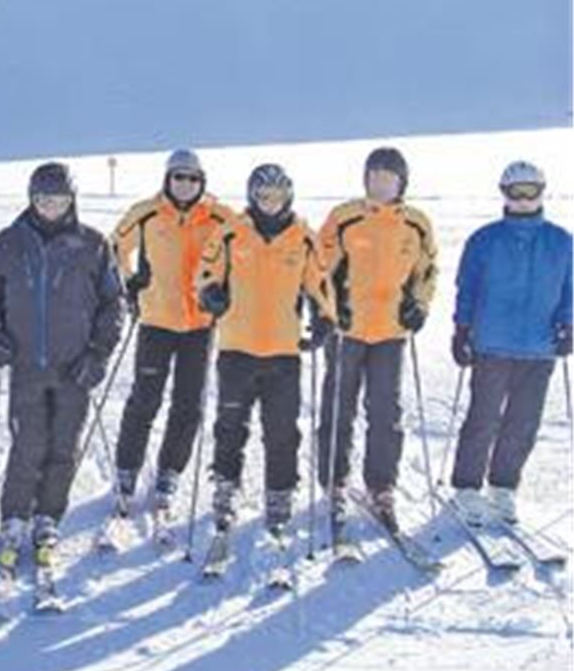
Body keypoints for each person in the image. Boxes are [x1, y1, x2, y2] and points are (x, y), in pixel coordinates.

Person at [0, 162, 125, 571]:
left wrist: (98, 354)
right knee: (27, 445)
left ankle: (48, 518)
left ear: (71, 200)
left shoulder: (93, 244)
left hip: (73, 367)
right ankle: (14, 519)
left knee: (63, 446)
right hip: (26, 364)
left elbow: (114, 304)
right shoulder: (8, 243)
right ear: (31, 199)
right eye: (43, 199)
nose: (50, 207)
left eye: (58, 199)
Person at [197, 165, 336, 535]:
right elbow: (206, 272)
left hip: (282, 351)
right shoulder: (229, 233)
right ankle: (225, 488)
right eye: (263, 197)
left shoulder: (304, 238)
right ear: (252, 197)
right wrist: (210, 293)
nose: (270, 204)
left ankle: (280, 492)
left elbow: (320, 284)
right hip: (236, 348)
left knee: (282, 430)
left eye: (276, 196)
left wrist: (324, 318)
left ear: (288, 196)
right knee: (230, 426)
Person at [316, 147, 438, 532]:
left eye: (389, 177)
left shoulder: (416, 224)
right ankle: (334, 481)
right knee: (339, 406)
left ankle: (381, 486)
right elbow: (319, 269)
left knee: (386, 412)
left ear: (402, 182)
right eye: (375, 177)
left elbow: (428, 270)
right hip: (348, 330)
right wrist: (332, 310)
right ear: (365, 179)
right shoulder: (345, 217)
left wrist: (418, 305)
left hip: (390, 333)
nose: (381, 184)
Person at [109, 149, 232, 526]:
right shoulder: (146, 213)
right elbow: (114, 248)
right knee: (145, 399)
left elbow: (243, 254)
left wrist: (225, 291)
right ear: (167, 179)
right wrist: (128, 284)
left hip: (199, 324)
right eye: (179, 177)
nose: (185, 184)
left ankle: (169, 472)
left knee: (188, 404)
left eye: (193, 178)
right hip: (156, 320)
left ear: (202, 181)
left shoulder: (220, 217)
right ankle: (127, 469)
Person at [449, 161, 572, 526]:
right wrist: (462, 329)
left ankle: (503, 487)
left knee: (523, 423)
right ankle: (466, 488)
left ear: (541, 191)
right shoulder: (484, 240)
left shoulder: (561, 241)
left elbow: (570, 289)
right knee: (482, 419)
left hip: (539, 346)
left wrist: (568, 324)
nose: (522, 199)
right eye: (514, 191)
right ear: (503, 193)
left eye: (529, 190)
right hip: (491, 344)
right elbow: (467, 288)